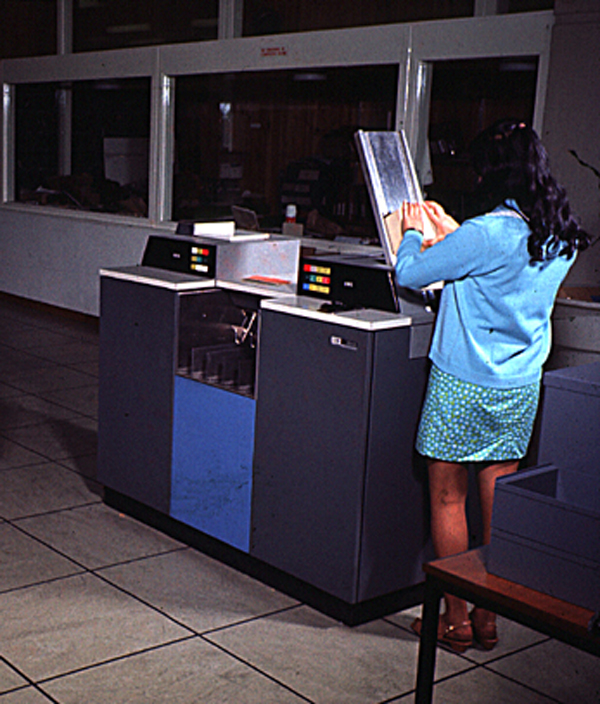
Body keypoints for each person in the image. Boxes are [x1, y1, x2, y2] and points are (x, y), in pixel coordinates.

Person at [395, 119, 589, 652]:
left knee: (447, 498)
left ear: (492, 173)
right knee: (498, 501)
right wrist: (453, 230)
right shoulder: (559, 234)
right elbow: (499, 269)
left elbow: (410, 273)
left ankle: (453, 621)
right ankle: (489, 617)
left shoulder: (487, 233)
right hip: (520, 386)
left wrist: (414, 230)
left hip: (463, 384)